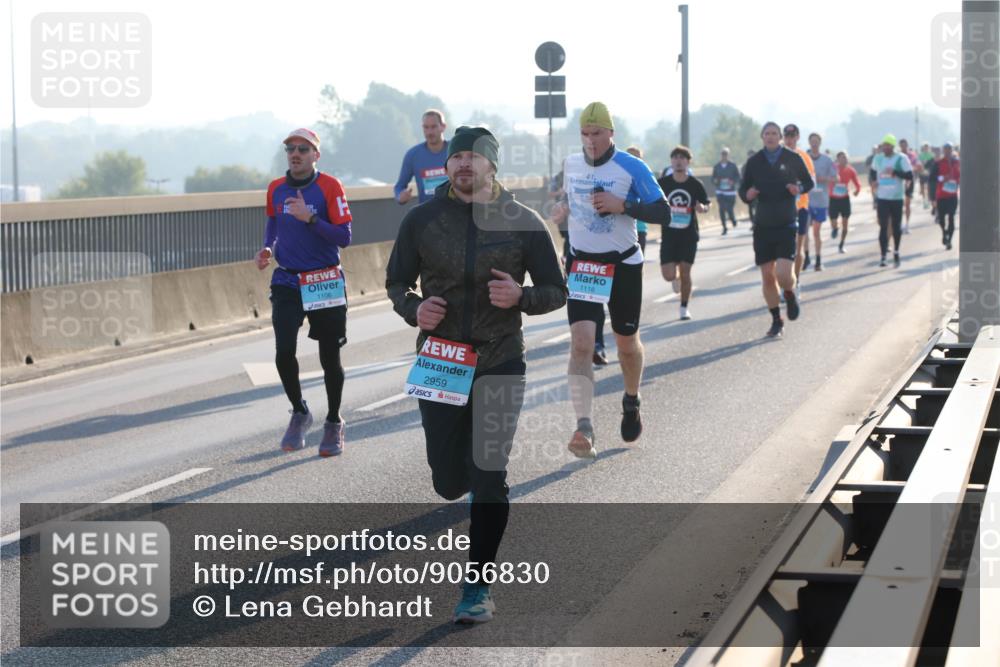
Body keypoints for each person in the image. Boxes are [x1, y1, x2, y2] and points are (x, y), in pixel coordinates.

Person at [386, 126, 567, 624]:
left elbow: (557, 289)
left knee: (489, 477)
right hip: (441, 358)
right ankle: (462, 478)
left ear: (492, 166)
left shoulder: (522, 222)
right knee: (448, 481)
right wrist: (413, 308)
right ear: (448, 166)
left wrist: (523, 298)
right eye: (457, 156)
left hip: (499, 358)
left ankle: (477, 585)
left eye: (473, 157)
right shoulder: (422, 220)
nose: (463, 164)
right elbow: (396, 281)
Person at [552, 102, 670, 458]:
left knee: (625, 344)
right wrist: (563, 215)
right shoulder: (571, 165)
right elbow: (572, 203)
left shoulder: (632, 167)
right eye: (585, 135)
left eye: (597, 134)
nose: (590, 141)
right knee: (582, 343)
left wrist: (624, 206)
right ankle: (583, 426)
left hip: (623, 267)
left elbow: (663, 211)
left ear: (611, 133)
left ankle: (631, 400)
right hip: (584, 266)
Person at [256, 128, 353, 456]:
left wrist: (311, 218)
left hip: (324, 279)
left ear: (316, 155)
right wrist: (268, 248)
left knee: (329, 356)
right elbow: (272, 222)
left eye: (303, 148)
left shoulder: (329, 186)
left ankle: (334, 422)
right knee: (283, 351)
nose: (295, 153)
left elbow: (344, 236)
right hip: (287, 280)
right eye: (290, 148)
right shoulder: (276, 189)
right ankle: (299, 411)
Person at [739, 121, 813, 338]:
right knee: (767, 277)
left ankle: (789, 293)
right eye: (767, 133)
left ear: (780, 137)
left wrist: (798, 188)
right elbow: (743, 190)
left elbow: (809, 183)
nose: (770, 136)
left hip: (786, 223)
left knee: (782, 273)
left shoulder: (792, 158)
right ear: (762, 137)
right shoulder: (754, 162)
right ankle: (776, 319)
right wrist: (748, 195)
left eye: (774, 133)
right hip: (762, 226)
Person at [552, 169, 610, 366]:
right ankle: (590, 344)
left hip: (599, 254)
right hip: (575, 254)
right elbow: (557, 220)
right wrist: (562, 209)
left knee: (597, 300)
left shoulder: (600, 190)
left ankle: (598, 343)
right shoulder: (569, 194)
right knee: (583, 300)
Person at [658, 146, 710, 321]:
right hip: (669, 235)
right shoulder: (663, 183)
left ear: (688, 162)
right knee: (669, 275)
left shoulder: (695, 184)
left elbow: (706, 203)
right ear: (671, 161)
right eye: (675, 158)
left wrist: (703, 208)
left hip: (688, 235)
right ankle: (675, 277)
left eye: (682, 158)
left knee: (686, 272)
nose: (678, 161)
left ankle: (684, 307)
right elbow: (654, 200)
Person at [869, 133, 914, 267]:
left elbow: (909, 175)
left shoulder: (901, 158)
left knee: (896, 227)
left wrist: (895, 172)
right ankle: (883, 256)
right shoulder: (878, 158)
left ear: (893, 146)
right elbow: (872, 172)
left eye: (888, 145)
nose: (886, 148)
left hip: (896, 198)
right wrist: (873, 182)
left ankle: (896, 251)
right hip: (882, 197)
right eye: (884, 145)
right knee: (883, 226)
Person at [782, 124, 816, 283]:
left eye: (792, 136)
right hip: (781, 209)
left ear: (797, 137)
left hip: (800, 207)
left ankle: (795, 283)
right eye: (787, 136)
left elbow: (812, 182)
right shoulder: (777, 156)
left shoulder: (804, 157)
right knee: (782, 252)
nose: (789, 140)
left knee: (797, 249)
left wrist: (798, 188)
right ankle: (784, 283)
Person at [393, 109, 450, 205]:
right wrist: (401, 196)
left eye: (433, 127)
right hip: (427, 215)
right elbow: (399, 186)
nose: (429, 132)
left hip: (455, 213)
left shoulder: (455, 151)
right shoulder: (413, 155)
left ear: (443, 127)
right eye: (426, 127)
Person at [805, 132, 837, 270]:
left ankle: (818, 259)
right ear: (809, 143)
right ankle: (806, 257)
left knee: (816, 232)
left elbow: (836, 178)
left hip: (821, 201)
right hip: (805, 200)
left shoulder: (827, 160)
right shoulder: (803, 159)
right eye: (812, 141)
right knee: (804, 230)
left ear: (820, 143)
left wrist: (822, 179)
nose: (814, 143)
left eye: (816, 141)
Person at [928, 141, 960, 250]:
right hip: (941, 195)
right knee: (941, 219)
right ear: (943, 151)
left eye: (949, 149)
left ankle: (949, 240)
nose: (948, 151)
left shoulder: (957, 162)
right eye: (946, 149)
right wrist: (942, 178)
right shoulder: (938, 163)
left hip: (952, 195)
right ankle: (944, 232)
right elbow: (932, 178)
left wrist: (957, 181)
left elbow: (961, 175)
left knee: (951, 217)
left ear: (952, 150)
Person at [828, 151, 861, 254]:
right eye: (842, 158)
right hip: (833, 198)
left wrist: (857, 191)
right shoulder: (833, 168)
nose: (844, 159)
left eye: (846, 158)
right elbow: (826, 178)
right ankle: (835, 228)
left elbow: (857, 183)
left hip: (844, 199)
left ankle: (841, 244)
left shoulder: (851, 170)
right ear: (838, 159)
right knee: (833, 221)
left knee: (845, 223)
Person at [712, 147, 741, 235]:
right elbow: (713, 178)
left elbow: (738, 177)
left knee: (729, 208)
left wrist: (733, 182)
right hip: (720, 191)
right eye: (722, 154)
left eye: (725, 154)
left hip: (730, 191)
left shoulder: (733, 165)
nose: (724, 156)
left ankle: (733, 219)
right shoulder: (717, 166)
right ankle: (724, 227)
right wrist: (715, 181)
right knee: (721, 209)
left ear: (728, 155)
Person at [897, 138, 920, 234]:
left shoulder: (912, 155)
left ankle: (907, 224)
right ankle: (899, 224)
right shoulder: (898, 157)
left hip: (909, 181)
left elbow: (917, 166)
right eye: (901, 145)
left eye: (905, 145)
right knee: (899, 205)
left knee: (907, 204)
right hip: (899, 182)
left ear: (907, 145)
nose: (903, 147)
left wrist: (910, 169)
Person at [917, 142, 934, 208]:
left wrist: (929, 171)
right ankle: (924, 200)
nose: (926, 148)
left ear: (928, 148)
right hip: (922, 173)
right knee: (922, 188)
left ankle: (929, 201)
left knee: (928, 187)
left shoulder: (931, 155)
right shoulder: (921, 155)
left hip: (929, 174)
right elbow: (919, 163)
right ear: (923, 148)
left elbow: (932, 164)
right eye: (925, 147)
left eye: (927, 147)